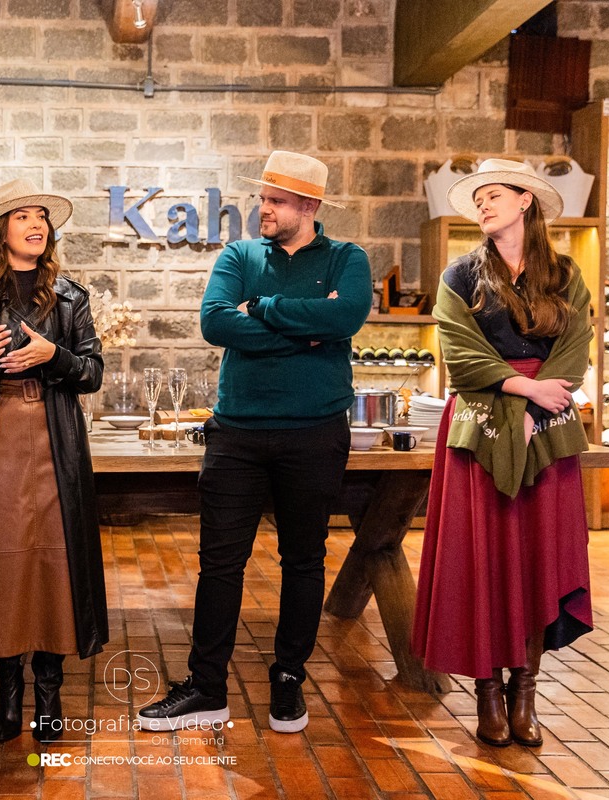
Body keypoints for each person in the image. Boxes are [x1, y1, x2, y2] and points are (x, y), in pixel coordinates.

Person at [137, 151, 372, 734]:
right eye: (263, 198)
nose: (263, 209)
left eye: (276, 201)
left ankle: (288, 680)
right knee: (220, 563)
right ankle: (207, 687)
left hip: (315, 432)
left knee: (304, 559)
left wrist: (264, 308)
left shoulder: (346, 258)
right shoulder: (239, 256)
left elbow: (347, 319)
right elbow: (215, 323)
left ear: (309, 206)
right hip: (237, 433)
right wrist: (307, 330)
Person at [411, 159, 594, 748]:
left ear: (525, 201)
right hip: (483, 423)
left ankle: (526, 691)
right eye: (479, 200)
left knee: (537, 557)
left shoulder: (564, 274)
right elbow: (460, 354)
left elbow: (576, 344)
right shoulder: (461, 275)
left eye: (494, 195)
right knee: (483, 558)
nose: (484, 206)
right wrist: (525, 390)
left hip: (547, 425)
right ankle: (487, 692)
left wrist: (544, 398)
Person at [0, 179, 107, 745]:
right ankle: (9, 689)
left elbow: (92, 373)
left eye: (41, 216)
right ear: (0, 232)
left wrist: (55, 356)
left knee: (57, 563)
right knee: (2, 565)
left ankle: (49, 691)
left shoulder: (71, 298)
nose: (36, 224)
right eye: (22, 216)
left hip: (57, 442)